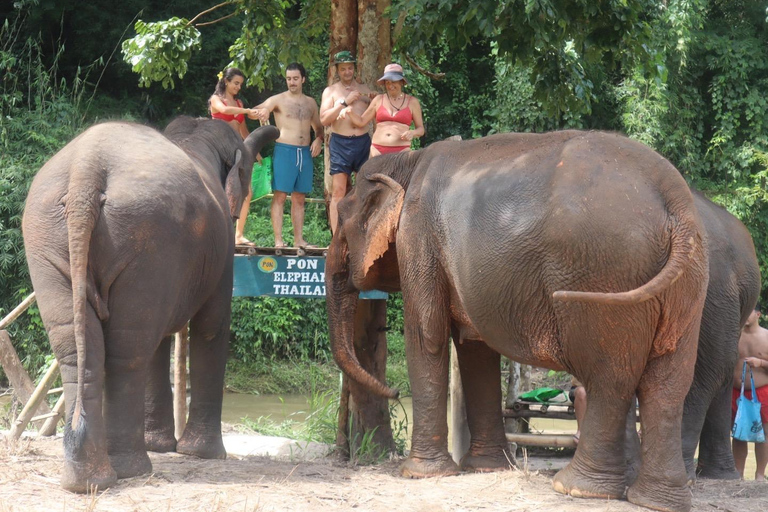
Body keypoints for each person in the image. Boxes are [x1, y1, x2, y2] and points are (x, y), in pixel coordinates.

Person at [254, 63, 324, 248]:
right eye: (288, 78)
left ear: (303, 79)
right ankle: (279, 240)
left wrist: (319, 140)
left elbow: (318, 128)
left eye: (295, 78)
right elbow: (256, 111)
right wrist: (263, 111)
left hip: (305, 153)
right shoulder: (278, 99)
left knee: (299, 197)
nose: (291, 82)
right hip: (285, 150)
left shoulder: (310, 102)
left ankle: (299, 240)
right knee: (280, 196)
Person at [319, 51, 375, 234]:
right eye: (343, 69)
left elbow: (379, 108)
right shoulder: (331, 91)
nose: (347, 72)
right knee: (338, 191)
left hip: (363, 142)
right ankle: (336, 237)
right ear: (337, 70)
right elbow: (324, 119)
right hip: (340, 143)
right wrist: (343, 103)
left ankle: (363, 233)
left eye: (350, 68)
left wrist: (373, 97)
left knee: (365, 189)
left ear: (354, 68)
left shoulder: (364, 88)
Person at [208, 67, 261, 245]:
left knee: (246, 192)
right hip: (219, 150)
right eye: (236, 83)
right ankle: (219, 233)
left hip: (237, 150)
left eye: (240, 84)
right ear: (226, 81)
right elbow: (224, 109)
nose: (238, 87)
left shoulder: (238, 104)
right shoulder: (216, 99)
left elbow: (244, 130)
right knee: (222, 191)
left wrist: (256, 151)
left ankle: (238, 235)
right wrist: (246, 111)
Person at [339, 63, 425, 157]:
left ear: (401, 82)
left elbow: (421, 129)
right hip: (377, 150)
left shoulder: (412, 102)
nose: (390, 85)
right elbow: (361, 121)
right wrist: (349, 111)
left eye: (393, 81)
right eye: (387, 82)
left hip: (402, 150)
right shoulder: (379, 99)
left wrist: (413, 132)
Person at [732, 305, 768, 481]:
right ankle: (738, 472)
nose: (744, 314)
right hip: (736, 392)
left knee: (764, 434)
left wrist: (761, 363)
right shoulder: (734, 334)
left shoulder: (767, 336)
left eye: (749, 311)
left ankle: (760, 474)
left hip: (762, 392)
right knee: (738, 432)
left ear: (758, 314)